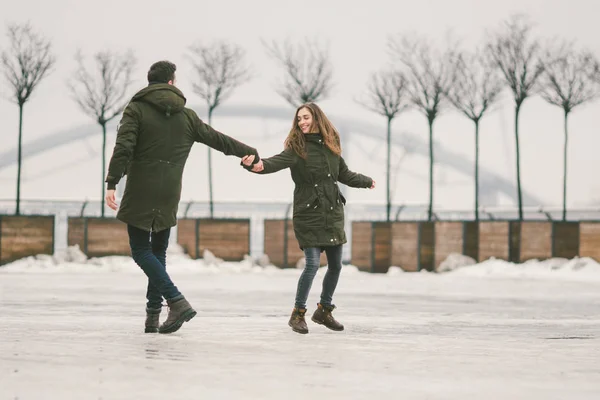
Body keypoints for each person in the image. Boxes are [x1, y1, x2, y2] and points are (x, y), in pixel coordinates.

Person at [105, 60, 260, 334]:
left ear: (150, 82)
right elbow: (218, 139)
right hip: (170, 191)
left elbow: (124, 146)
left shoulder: (136, 108)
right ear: (172, 82)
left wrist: (112, 181)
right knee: (158, 252)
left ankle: (176, 300)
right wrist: (248, 150)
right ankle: (153, 318)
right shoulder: (187, 116)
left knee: (141, 251)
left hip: (141, 187)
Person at [241, 103, 375, 334]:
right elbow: (274, 162)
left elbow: (344, 174)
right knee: (312, 264)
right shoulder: (297, 149)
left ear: (317, 118)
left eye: (306, 117)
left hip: (332, 213)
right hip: (308, 214)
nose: (302, 122)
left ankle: (324, 310)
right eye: (299, 119)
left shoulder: (331, 148)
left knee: (335, 266)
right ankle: (298, 314)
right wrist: (256, 165)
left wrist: (366, 180)